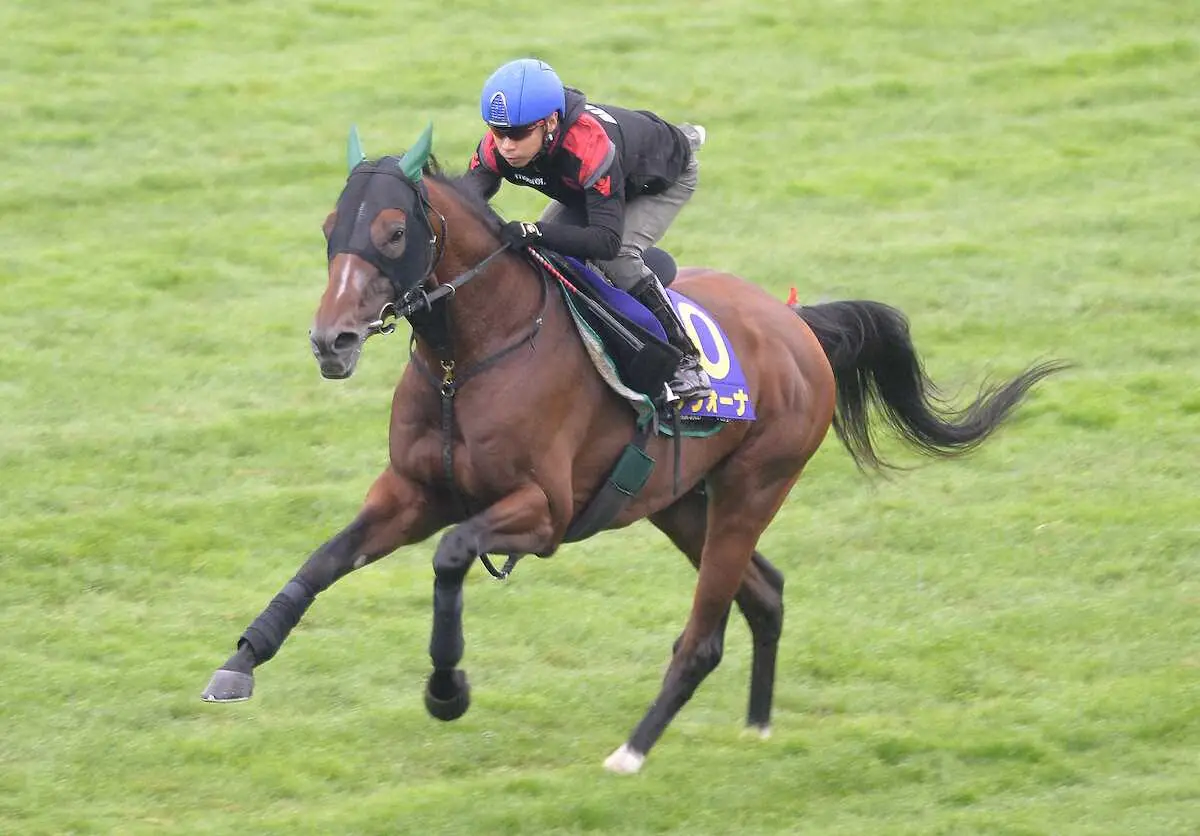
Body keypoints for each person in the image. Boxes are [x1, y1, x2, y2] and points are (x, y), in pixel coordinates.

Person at [459, 58, 712, 401]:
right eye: (498, 131)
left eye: (518, 134)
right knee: (543, 255)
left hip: (660, 179)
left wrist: (535, 231)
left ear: (550, 122)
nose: (506, 146)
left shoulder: (588, 146)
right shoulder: (499, 145)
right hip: (590, 186)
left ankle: (686, 363)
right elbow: (463, 204)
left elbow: (605, 242)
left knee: (618, 257)